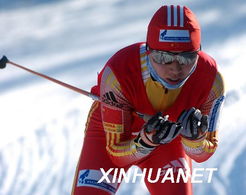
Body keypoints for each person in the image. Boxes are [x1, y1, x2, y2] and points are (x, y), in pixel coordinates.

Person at [71, 5, 225, 195]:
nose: (175, 69)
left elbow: (205, 153)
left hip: (168, 141)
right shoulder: (120, 72)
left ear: (198, 52)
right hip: (113, 136)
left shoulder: (211, 80)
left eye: (186, 58)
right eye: (163, 57)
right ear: (148, 51)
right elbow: (115, 153)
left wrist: (195, 139)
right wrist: (144, 143)